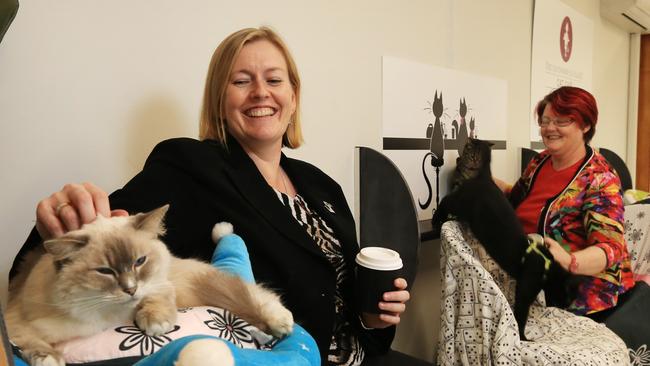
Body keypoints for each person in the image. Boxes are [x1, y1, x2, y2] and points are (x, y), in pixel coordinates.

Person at [10, 27, 424, 365]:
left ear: (293, 97)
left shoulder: (321, 186)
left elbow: (348, 299)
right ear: (219, 101)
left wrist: (374, 319)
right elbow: (93, 239)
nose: (261, 92)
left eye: (274, 80)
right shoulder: (190, 166)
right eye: (241, 81)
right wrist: (61, 218)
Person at [495, 86, 646, 346]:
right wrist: (483, 181)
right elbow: (518, 198)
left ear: (585, 125)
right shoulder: (540, 161)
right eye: (545, 120)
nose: (549, 128)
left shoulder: (600, 179)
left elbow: (610, 250)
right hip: (533, 280)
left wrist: (569, 260)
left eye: (561, 121)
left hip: (579, 299)